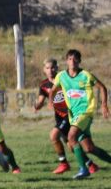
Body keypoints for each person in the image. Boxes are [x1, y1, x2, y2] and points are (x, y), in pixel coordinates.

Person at [47, 49, 111, 179]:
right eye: (70, 59)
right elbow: (53, 90)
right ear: (66, 61)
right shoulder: (61, 76)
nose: (72, 61)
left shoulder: (85, 75)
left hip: (86, 112)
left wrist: (104, 105)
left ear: (79, 61)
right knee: (89, 148)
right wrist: (50, 101)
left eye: (75, 59)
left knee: (71, 137)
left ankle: (83, 169)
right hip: (73, 115)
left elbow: (102, 87)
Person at [34, 58, 98, 175]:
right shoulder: (43, 85)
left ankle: (63, 163)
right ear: (44, 70)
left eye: (52, 67)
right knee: (71, 145)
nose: (50, 70)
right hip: (59, 116)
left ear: (57, 68)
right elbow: (41, 101)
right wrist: (37, 105)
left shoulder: (64, 78)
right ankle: (91, 165)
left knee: (53, 135)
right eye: (47, 68)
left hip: (69, 114)